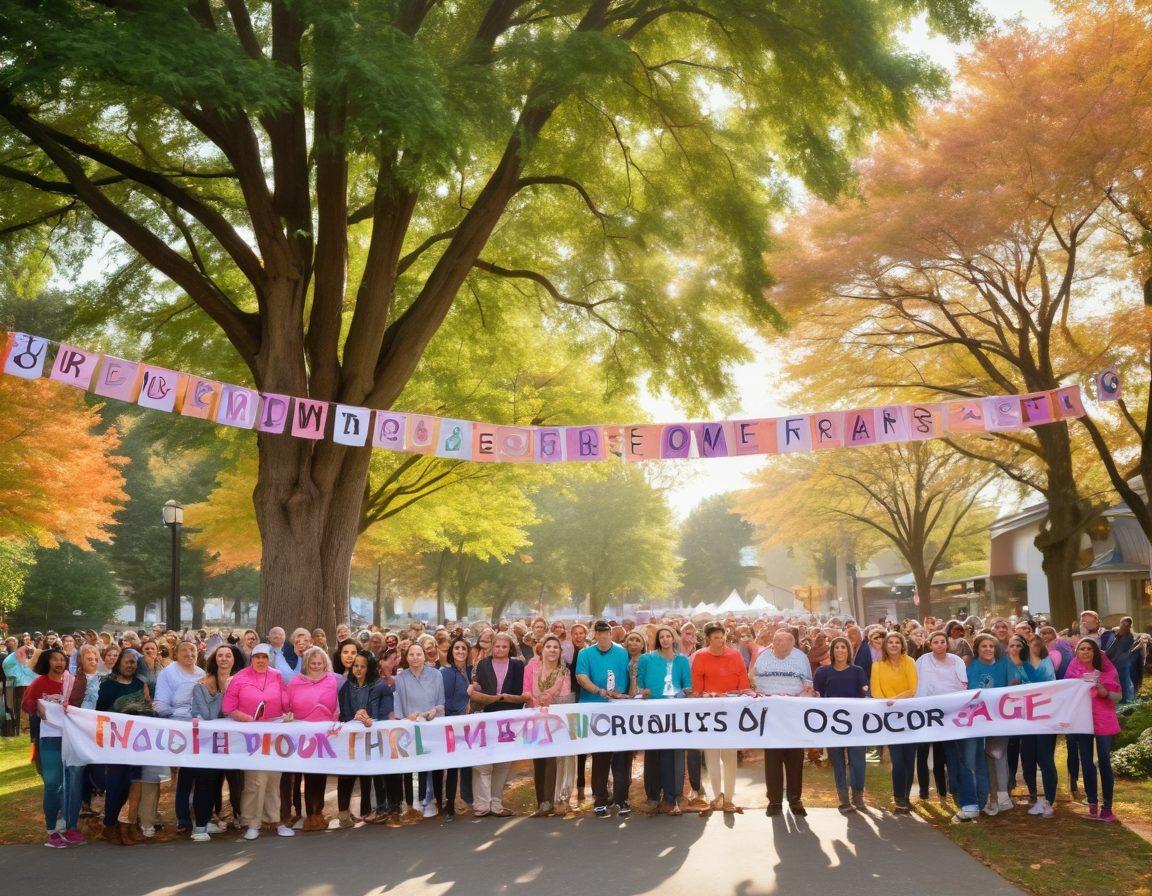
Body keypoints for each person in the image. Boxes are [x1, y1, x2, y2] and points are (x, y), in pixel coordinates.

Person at [222, 643, 294, 840]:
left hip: (274, 733)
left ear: (269, 658)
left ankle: (275, 820)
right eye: (257, 657)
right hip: (250, 736)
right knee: (255, 780)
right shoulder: (240, 677)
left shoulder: (276, 675)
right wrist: (246, 719)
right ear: (251, 658)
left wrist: (288, 712)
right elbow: (229, 707)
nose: (261, 661)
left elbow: (285, 699)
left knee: (274, 779)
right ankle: (252, 823)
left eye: (264, 657)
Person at [691, 622, 751, 814]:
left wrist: (742, 696)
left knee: (730, 756)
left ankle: (730, 798)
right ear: (708, 639)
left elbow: (743, 682)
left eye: (722, 636)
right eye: (716, 637)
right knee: (711, 757)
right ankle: (716, 796)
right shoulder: (700, 656)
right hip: (709, 713)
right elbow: (697, 687)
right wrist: (704, 696)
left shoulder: (735, 655)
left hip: (731, 713)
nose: (721, 640)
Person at [575, 620, 633, 817]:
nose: (602, 636)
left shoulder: (622, 652)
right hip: (594, 709)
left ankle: (622, 798)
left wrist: (621, 695)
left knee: (621, 758)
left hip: (618, 710)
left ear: (610, 634)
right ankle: (600, 799)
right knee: (600, 757)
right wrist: (598, 691)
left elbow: (628, 678)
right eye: (598, 633)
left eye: (605, 633)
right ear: (594, 635)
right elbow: (581, 677)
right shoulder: (585, 653)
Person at [753, 629, 813, 816]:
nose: (781, 646)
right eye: (777, 642)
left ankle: (795, 799)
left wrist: (803, 697)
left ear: (793, 645)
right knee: (772, 759)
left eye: (786, 644)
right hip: (770, 714)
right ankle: (775, 802)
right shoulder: (763, 657)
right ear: (773, 642)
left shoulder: (801, 658)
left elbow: (809, 682)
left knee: (795, 758)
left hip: (793, 713)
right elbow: (753, 679)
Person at [188, 644, 245, 841]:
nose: (224, 659)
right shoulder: (201, 685)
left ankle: (240, 817)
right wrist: (225, 694)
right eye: (220, 655)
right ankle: (202, 825)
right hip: (209, 743)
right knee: (207, 782)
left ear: (234, 660)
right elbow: (206, 714)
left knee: (237, 781)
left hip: (235, 742)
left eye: (228, 655)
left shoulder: (243, 682)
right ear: (214, 660)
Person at [470, 631, 527, 817]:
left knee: (503, 762)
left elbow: (522, 691)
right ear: (491, 647)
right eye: (497, 646)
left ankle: (496, 803)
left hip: (510, 718)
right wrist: (474, 689)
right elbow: (477, 685)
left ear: (509, 648)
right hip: (487, 717)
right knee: (483, 763)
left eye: (504, 646)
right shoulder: (482, 664)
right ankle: (481, 804)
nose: (500, 649)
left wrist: (508, 698)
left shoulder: (518, 665)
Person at [95, 649, 149, 845]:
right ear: (118, 663)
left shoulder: (140, 685)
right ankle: (110, 826)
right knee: (116, 784)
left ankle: (129, 824)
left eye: (134, 662)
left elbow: (147, 708)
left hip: (137, 743)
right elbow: (98, 714)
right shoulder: (107, 686)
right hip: (115, 743)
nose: (131, 665)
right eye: (127, 661)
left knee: (133, 783)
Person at [636, 625, 692, 815]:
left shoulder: (682, 660)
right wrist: (642, 691)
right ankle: (652, 796)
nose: (665, 640)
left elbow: (688, 686)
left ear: (674, 638)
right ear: (658, 640)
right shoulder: (647, 659)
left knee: (673, 755)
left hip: (674, 713)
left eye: (668, 636)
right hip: (651, 712)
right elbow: (639, 682)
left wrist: (681, 694)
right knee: (653, 755)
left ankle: (673, 797)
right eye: (662, 637)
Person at [1065, 638, 1122, 821]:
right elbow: (1064, 693)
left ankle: (1107, 807)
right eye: (1082, 649)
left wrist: (1105, 692)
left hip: (1103, 719)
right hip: (1082, 720)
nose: (1086, 652)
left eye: (1089, 649)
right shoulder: (1073, 668)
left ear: (1095, 651)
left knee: (1104, 761)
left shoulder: (1107, 668)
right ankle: (1092, 804)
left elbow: (1117, 696)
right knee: (1087, 762)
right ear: (1077, 652)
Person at [287, 646, 342, 830]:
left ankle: (318, 812)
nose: (316, 666)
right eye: (313, 663)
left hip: (325, 737)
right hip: (302, 737)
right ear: (306, 664)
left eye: (320, 663)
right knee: (305, 775)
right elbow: (287, 705)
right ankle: (307, 814)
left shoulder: (333, 680)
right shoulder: (295, 682)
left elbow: (339, 703)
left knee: (319, 775)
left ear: (325, 663)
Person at [153, 640, 205, 832]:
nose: (189, 654)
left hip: (200, 727)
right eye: (184, 650)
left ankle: (199, 812)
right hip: (178, 725)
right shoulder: (168, 673)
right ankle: (182, 816)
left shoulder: (202, 674)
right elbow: (161, 703)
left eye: (192, 650)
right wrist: (177, 716)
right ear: (176, 654)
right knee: (185, 772)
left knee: (201, 771)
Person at [914, 631, 968, 813]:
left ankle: (945, 791)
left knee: (941, 754)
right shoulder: (922, 661)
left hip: (949, 713)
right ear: (930, 644)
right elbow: (917, 684)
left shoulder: (956, 661)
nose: (939, 645)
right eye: (935, 642)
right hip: (925, 712)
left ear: (947, 644)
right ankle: (923, 792)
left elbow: (962, 684)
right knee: (922, 753)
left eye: (942, 642)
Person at [24, 648, 72, 847]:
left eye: (62, 659)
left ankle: (67, 826)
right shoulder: (39, 682)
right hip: (50, 739)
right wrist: (36, 705)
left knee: (68, 784)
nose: (59, 663)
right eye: (55, 659)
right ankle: (51, 829)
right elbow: (26, 705)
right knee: (52, 784)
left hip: (71, 739)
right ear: (48, 662)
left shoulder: (70, 682)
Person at [814, 636, 869, 813]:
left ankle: (858, 796)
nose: (840, 650)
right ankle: (844, 799)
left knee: (858, 761)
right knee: (837, 762)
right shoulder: (823, 672)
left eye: (843, 647)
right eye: (836, 647)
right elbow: (817, 697)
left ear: (848, 651)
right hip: (831, 725)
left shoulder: (857, 671)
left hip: (855, 724)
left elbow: (864, 694)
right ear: (832, 651)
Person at [337, 649, 390, 827]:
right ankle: (343, 814)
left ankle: (381, 809)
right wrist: (354, 717)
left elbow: (383, 715)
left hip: (374, 738)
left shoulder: (380, 686)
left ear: (370, 668)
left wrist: (368, 718)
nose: (358, 670)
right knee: (347, 774)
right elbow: (344, 713)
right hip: (352, 738)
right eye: (355, 666)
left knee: (377, 773)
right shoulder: (347, 686)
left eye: (363, 666)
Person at [394, 641, 445, 817]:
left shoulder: (436, 674)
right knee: (409, 766)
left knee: (432, 764)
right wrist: (406, 718)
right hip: (409, 726)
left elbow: (441, 703)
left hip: (431, 725)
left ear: (425, 656)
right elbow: (398, 705)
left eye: (419, 654)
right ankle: (409, 805)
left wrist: (434, 711)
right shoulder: (400, 678)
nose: (415, 658)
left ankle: (434, 800)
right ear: (406, 658)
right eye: (411, 654)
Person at [967, 633, 1016, 816]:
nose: (988, 649)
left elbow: (1013, 685)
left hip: (1001, 717)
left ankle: (1002, 797)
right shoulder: (972, 666)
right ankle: (990, 797)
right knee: (984, 757)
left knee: (998, 754)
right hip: (979, 719)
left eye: (991, 646)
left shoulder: (1005, 663)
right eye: (984, 646)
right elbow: (973, 691)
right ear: (978, 649)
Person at [523, 634, 571, 816]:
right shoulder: (531, 668)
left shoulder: (563, 672)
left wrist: (549, 704)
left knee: (552, 760)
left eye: (555, 647)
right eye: (548, 647)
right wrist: (535, 703)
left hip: (555, 722)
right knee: (539, 761)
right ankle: (540, 801)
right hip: (535, 720)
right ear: (541, 650)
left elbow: (565, 697)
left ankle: (550, 802)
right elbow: (526, 692)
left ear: (560, 652)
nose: (552, 650)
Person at [871, 631, 918, 813]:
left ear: (902, 645)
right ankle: (899, 800)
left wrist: (895, 700)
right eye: (890, 642)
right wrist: (887, 704)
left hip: (908, 715)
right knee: (897, 761)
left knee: (909, 760)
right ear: (885, 646)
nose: (893, 645)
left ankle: (906, 798)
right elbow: (875, 690)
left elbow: (912, 689)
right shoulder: (877, 666)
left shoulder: (910, 662)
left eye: (897, 642)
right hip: (889, 716)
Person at [439, 637, 474, 821]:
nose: (460, 651)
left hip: (466, 725)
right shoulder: (447, 673)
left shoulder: (467, 672)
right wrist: (466, 694)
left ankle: (465, 800)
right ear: (451, 651)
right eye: (457, 648)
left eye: (463, 649)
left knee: (465, 765)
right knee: (452, 768)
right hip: (452, 724)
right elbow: (447, 701)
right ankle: (450, 806)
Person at [1106, 616, 1137, 704]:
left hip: (1122, 663)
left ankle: (1127, 700)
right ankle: (1124, 699)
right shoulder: (1119, 635)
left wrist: (1112, 660)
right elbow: (1112, 649)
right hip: (1117, 662)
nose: (1124, 625)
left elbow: (1120, 650)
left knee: (1124, 681)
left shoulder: (1128, 636)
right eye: (1123, 623)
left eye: (1126, 623)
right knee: (1120, 681)